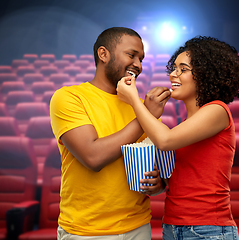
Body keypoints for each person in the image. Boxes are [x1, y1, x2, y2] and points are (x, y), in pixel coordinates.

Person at [117, 36, 239, 240]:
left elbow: (165, 140)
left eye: (183, 69)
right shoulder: (185, 126)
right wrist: (161, 185)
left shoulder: (217, 110)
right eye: (174, 68)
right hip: (172, 226)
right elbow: (187, 177)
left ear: (206, 74)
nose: (173, 74)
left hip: (208, 229)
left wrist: (134, 99)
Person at [50, 27, 171, 239]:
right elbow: (93, 157)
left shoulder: (141, 108)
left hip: (139, 226)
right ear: (103, 54)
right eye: (131, 55)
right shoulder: (69, 97)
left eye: (141, 59)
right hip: (86, 231)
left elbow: (160, 166)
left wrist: (159, 183)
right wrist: (146, 117)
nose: (139, 65)